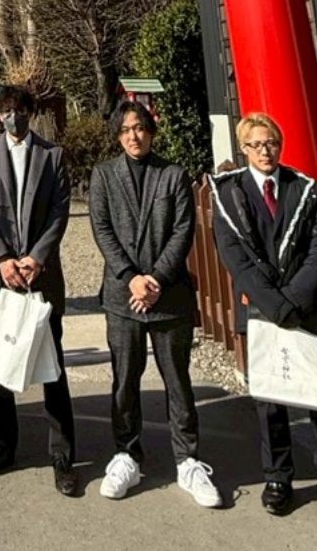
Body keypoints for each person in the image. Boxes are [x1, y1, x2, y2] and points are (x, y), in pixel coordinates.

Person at [209, 112, 317, 528]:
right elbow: (235, 258)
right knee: (270, 402)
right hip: (264, 313)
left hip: (307, 311)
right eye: (256, 144)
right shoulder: (229, 195)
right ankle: (278, 478)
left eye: (272, 143)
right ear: (243, 149)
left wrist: (293, 301)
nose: (265, 151)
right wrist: (276, 307)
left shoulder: (305, 190)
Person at [89, 99, 221, 508]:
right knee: (125, 378)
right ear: (117, 134)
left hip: (169, 295)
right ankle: (127, 454)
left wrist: (156, 280)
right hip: (122, 295)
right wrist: (132, 279)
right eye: (127, 129)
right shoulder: (104, 175)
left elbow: (183, 230)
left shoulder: (174, 174)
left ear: (152, 130)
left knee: (177, 380)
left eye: (141, 127)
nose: (134, 135)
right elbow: (102, 229)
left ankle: (189, 459)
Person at [0, 85, 78, 496]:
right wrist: (2, 257)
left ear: (31, 113)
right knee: (0, 362)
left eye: (19, 109)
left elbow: (59, 211)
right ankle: (2, 445)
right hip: (3, 275)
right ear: (0, 116)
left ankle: (63, 455)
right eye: (7, 110)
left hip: (41, 273)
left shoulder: (53, 156)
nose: (13, 117)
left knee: (53, 366)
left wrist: (37, 256)